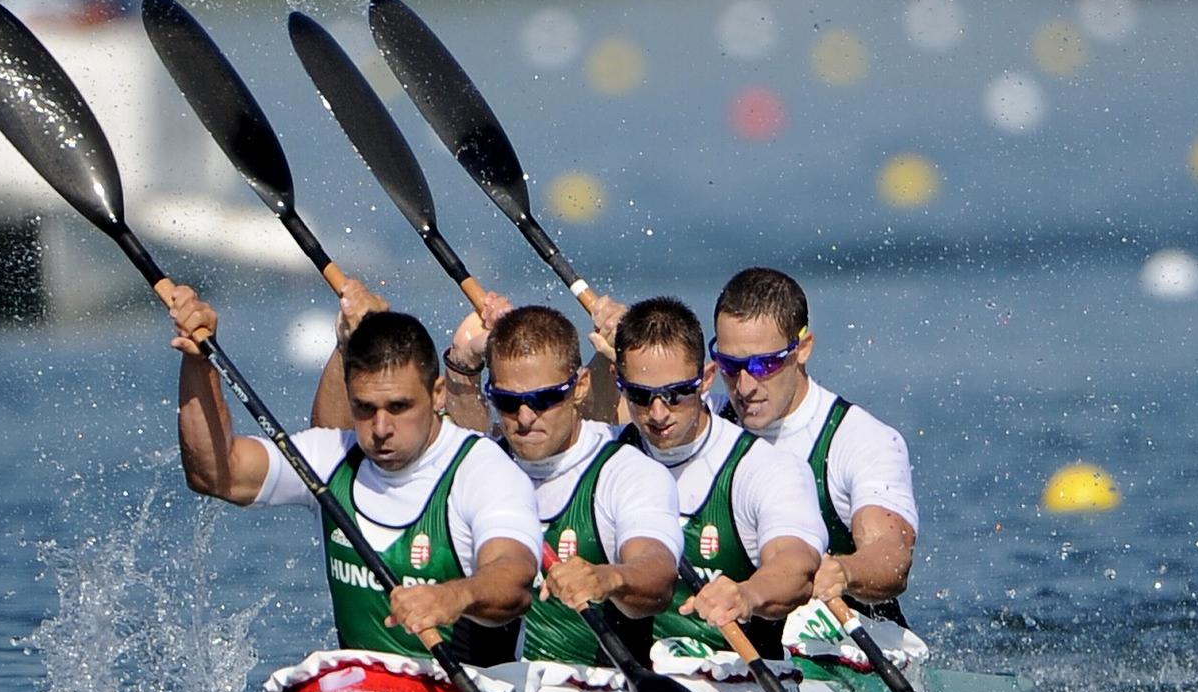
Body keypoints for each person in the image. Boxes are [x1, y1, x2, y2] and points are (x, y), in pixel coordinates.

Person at [162, 279, 539, 666]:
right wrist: (198, 361)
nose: (379, 428)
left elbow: (515, 578)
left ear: (438, 393)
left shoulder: (482, 469)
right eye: (364, 408)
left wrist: (453, 597)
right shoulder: (335, 456)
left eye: (399, 407)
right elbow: (215, 475)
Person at [444, 298, 681, 667]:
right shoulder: (478, 467)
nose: (524, 417)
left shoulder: (627, 472)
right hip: (486, 691)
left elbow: (658, 573)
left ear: (581, 386)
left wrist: (608, 578)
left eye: (544, 399)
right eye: (507, 401)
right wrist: (462, 362)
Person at [599, 296, 828, 659]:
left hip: (736, 679)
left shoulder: (764, 469)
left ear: (705, 379)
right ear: (618, 381)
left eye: (675, 395)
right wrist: (471, 371)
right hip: (629, 683)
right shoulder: (601, 456)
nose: (658, 414)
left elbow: (795, 565)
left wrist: (747, 595)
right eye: (641, 396)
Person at [709, 267, 919, 627]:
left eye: (764, 364)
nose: (744, 386)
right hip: (741, 645)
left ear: (803, 349)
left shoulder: (859, 440)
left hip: (845, 646)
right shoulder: (705, 424)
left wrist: (845, 570)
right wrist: (615, 354)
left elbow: (892, 558)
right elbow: (611, 430)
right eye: (730, 365)